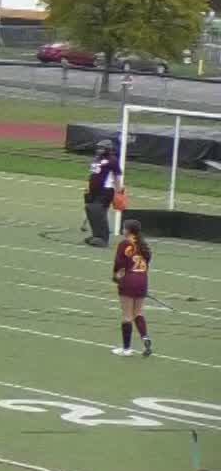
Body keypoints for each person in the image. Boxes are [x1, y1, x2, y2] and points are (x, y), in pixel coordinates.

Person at [112, 220, 153, 356]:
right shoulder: (144, 245)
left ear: (128, 230)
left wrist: (116, 277)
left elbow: (119, 264)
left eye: (124, 228)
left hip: (129, 280)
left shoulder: (124, 244)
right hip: (142, 280)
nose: (123, 231)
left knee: (127, 316)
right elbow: (146, 264)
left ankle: (126, 349)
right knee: (138, 313)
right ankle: (145, 338)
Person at [84, 140, 120, 247]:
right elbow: (93, 174)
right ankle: (96, 235)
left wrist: (118, 191)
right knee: (91, 210)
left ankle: (103, 238)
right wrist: (87, 187)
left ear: (108, 149)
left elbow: (116, 176)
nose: (99, 150)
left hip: (106, 190)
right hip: (93, 190)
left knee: (99, 212)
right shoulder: (96, 159)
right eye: (98, 148)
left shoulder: (113, 160)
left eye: (102, 148)